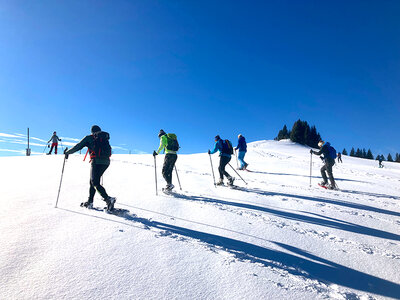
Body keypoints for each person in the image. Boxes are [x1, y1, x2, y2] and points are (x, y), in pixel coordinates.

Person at [64, 125, 116, 211]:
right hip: (106, 162)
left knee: (94, 182)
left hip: (96, 162)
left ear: (92, 131)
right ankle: (90, 201)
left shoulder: (89, 138)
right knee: (93, 181)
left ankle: (108, 199)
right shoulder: (104, 138)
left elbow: (78, 146)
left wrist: (67, 152)